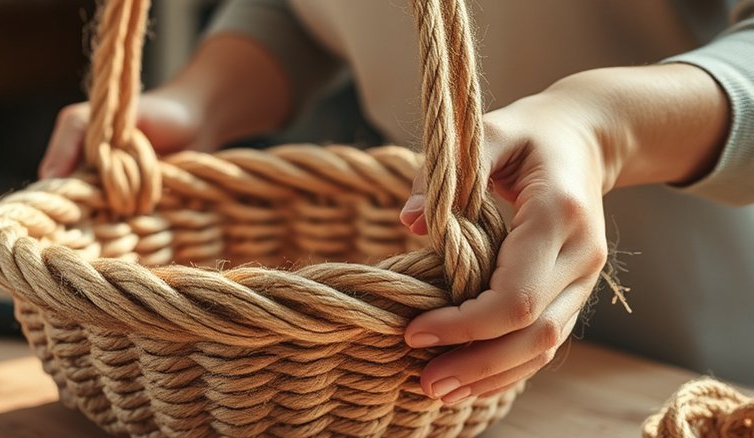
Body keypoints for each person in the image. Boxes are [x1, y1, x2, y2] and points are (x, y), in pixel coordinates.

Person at [39, 1, 754, 404]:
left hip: (682, 387)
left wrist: (605, 128)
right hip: (422, 348)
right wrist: (196, 105)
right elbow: (303, 13)